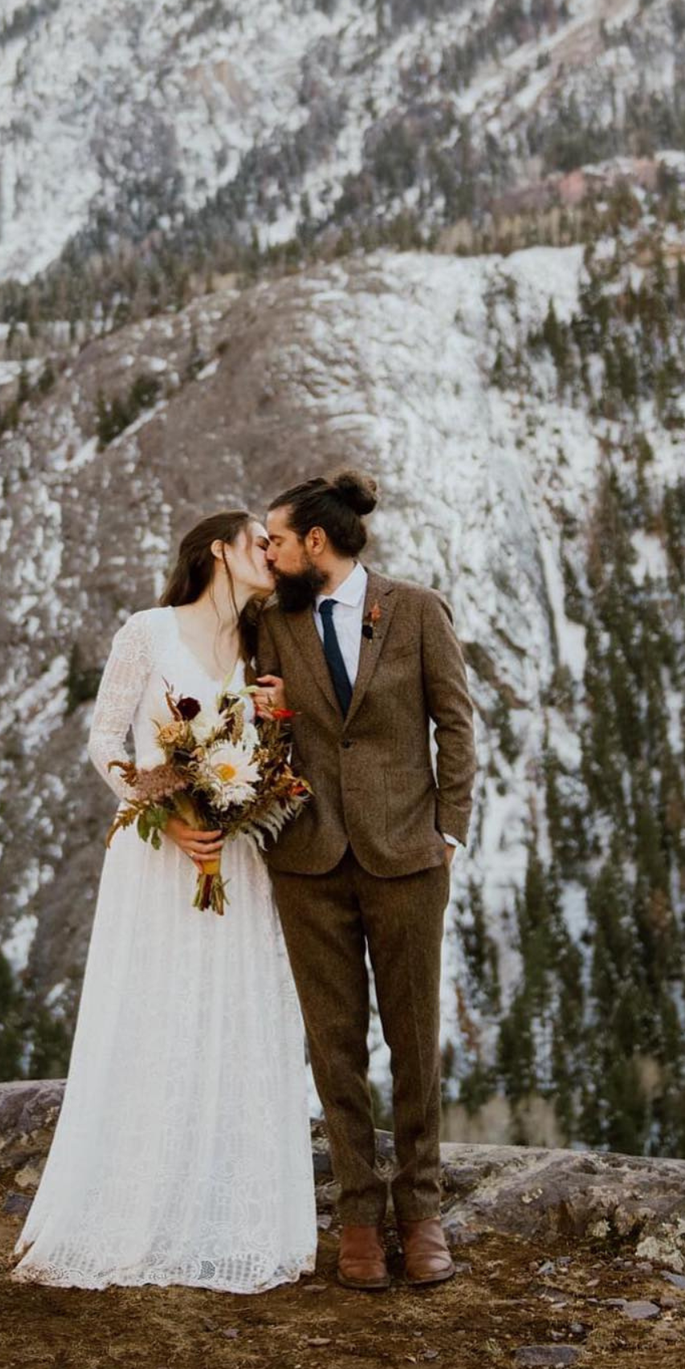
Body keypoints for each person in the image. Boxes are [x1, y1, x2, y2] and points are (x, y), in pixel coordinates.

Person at [9, 510, 318, 1293]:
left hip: (236, 862)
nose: (269, 555)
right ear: (218, 548)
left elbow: (272, 750)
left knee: (230, 1020)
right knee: (154, 1017)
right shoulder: (147, 631)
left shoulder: (261, 644)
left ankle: (224, 1218)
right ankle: (134, 1210)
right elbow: (105, 741)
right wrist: (172, 813)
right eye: (258, 542)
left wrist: (274, 724)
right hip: (157, 860)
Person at [255, 468, 476, 1290]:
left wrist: (447, 828)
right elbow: (237, 714)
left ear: (316, 542)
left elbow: (453, 721)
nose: (267, 555)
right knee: (333, 1046)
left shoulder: (414, 609)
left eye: (275, 540)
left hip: (406, 860)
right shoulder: (269, 624)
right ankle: (357, 1217)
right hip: (307, 862)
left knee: (414, 1040)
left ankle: (421, 1212)